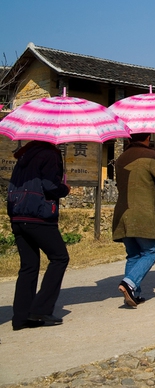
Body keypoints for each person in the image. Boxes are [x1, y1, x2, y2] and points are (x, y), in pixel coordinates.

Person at [7, 141, 71, 330]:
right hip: (38, 216)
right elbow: (49, 186)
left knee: (29, 266)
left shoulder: (24, 156)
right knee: (60, 257)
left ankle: (21, 317)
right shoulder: (49, 154)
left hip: (18, 215)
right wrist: (64, 189)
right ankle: (40, 309)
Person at [113, 133, 155, 307]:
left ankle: (132, 293)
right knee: (151, 251)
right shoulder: (151, 156)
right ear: (147, 137)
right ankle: (129, 282)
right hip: (142, 212)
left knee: (134, 254)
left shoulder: (121, 158)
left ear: (129, 138)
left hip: (123, 213)